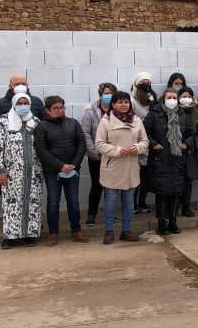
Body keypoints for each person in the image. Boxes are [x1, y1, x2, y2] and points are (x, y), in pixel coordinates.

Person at [0, 92, 44, 249]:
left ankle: (28, 235)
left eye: (25, 103)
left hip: (34, 172)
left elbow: (43, 145)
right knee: (11, 204)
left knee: (31, 202)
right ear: (14, 104)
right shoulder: (4, 122)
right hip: (11, 173)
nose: (22, 106)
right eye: (19, 103)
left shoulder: (35, 122)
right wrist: (0, 170)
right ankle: (9, 236)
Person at [95, 91, 148, 244]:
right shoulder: (105, 122)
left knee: (128, 201)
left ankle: (126, 230)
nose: (123, 105)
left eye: (126, 102)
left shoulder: (137, 121)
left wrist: (137, 148)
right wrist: (117, 151)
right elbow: (99, 144)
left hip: (131, 167)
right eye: (119, 102)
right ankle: (109, 231)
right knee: (111, 200)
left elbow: (144, 141)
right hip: (112, 167)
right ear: (113, 105)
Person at [33, 96, 88, 244]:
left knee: (73, 201)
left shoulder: (73, 123)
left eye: (61, 108)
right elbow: (41, 150)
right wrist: (60, 166)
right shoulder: (42, 126)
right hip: (53, 171)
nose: (59, 111)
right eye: (55, 109)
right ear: (47, 110)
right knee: (53, 202)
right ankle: (53, 233)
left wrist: (74, 164)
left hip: (72, 170)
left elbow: (81, 144)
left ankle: (76, 231)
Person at [144, 87, 194, 236]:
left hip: (177, 159)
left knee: (176, 191)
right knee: (162, 193)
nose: (172, 100)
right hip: (160, 159)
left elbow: (191, 134)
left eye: (174, 97)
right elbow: (142, 133)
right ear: (163, 99)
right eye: (169, 97)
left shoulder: (182, 114)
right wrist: (154, 144)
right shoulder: (154, 114)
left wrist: (186, 143)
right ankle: (161, 223)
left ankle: (173, 221)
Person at [80, 82, 117, 225]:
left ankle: (110, 214)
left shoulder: (118, 112)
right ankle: (91, 214)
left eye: (111, 93)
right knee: (97, 185)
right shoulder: (90, 113)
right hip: (96, 156)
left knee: (111, 187)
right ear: (100, 95)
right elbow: (85, 133)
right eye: (106, 93)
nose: (109, 96)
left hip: (113, 155)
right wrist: (94, 152)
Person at [178, 87, 198, 216]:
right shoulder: (175, 111)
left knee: (188, 180)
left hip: (192, 150)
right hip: (178, 149)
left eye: (189, 96)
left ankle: (186, 206)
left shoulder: (196, 113)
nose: (186, 99)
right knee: (177, 180)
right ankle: (175, 206)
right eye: (183, 96)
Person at [130, 72, 156, 213]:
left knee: (146, 176)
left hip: (149, 139)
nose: (146, 84)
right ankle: (132, 203)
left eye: (148, 82)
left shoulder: (152, 97)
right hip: (136, 140)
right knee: (135, 176)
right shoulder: (132, 99)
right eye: (143, 82)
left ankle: (142, 201)